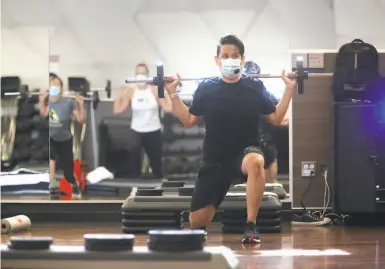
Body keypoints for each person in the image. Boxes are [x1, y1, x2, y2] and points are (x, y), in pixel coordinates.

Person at [164, 34, 296, 244]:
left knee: (256, 162)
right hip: (215, 158)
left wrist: (289, 89)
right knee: (197, 222)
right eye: (225, 56)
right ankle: (199, 219)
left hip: (246, 151)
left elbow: (277, 118)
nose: (230, 59)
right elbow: (188, 120)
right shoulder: (206, 88)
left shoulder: (254, 87)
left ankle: (251, 225)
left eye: (234, 55)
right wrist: (172, 93)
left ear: (242, 59)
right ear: (217, 60)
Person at [114, 62, 172, 178]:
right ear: (135, 75)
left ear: (148, 75)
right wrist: (118, 95)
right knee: (134, 165)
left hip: (153, 131)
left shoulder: (155, 90)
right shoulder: (131, 92)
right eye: (138, 73)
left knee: (157, 165)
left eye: (143, 73)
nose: (140, 76)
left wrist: (167, 92)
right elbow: (117, 110)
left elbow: (168, 108)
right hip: (136, 131)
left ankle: (160, 191)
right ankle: (135, 191)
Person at [39, 75, 86, 199]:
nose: (54, 87)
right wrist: (41, 100)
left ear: (61, 88)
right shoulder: (48, 102)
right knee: (52, 156)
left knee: (68, 172)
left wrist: (81, 104)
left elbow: (81, 120)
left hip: (65, 139)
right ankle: (52, 183)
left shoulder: (68, 102)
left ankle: (74, 184)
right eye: (51, 85)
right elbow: (43, 114)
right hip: (52, 137)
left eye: (57, 85)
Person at [243, 61, 289, 184]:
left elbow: (282, 119)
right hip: (243, 147)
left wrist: (289, 89)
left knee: (269, 186)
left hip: (266, 144)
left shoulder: (264, 95)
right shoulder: (233, 96)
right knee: (245, 189)